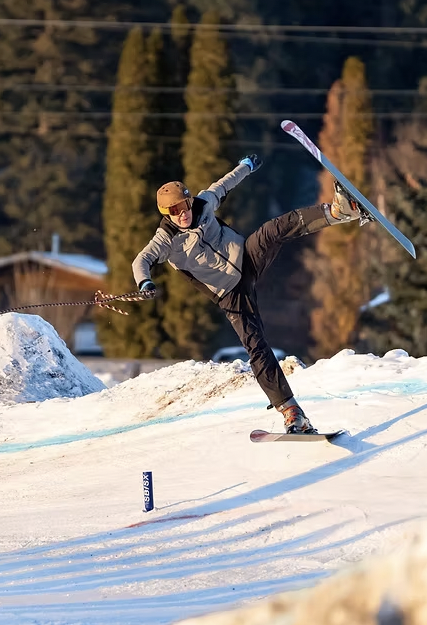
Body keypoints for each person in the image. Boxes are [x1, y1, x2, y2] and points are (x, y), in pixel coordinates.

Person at [131, 155, 371, 434]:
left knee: (274, 229)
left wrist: (245, 167)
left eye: (184, 205)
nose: (183, 213)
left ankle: (340, 212)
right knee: (256, 347)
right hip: (230, 295)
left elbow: (224, 184)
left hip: (246, 258)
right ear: (166, 213)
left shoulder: (203, 204)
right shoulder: (165, 240)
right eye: (174, 210)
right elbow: (141, 261)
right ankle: (291, 411)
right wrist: (144, 282)